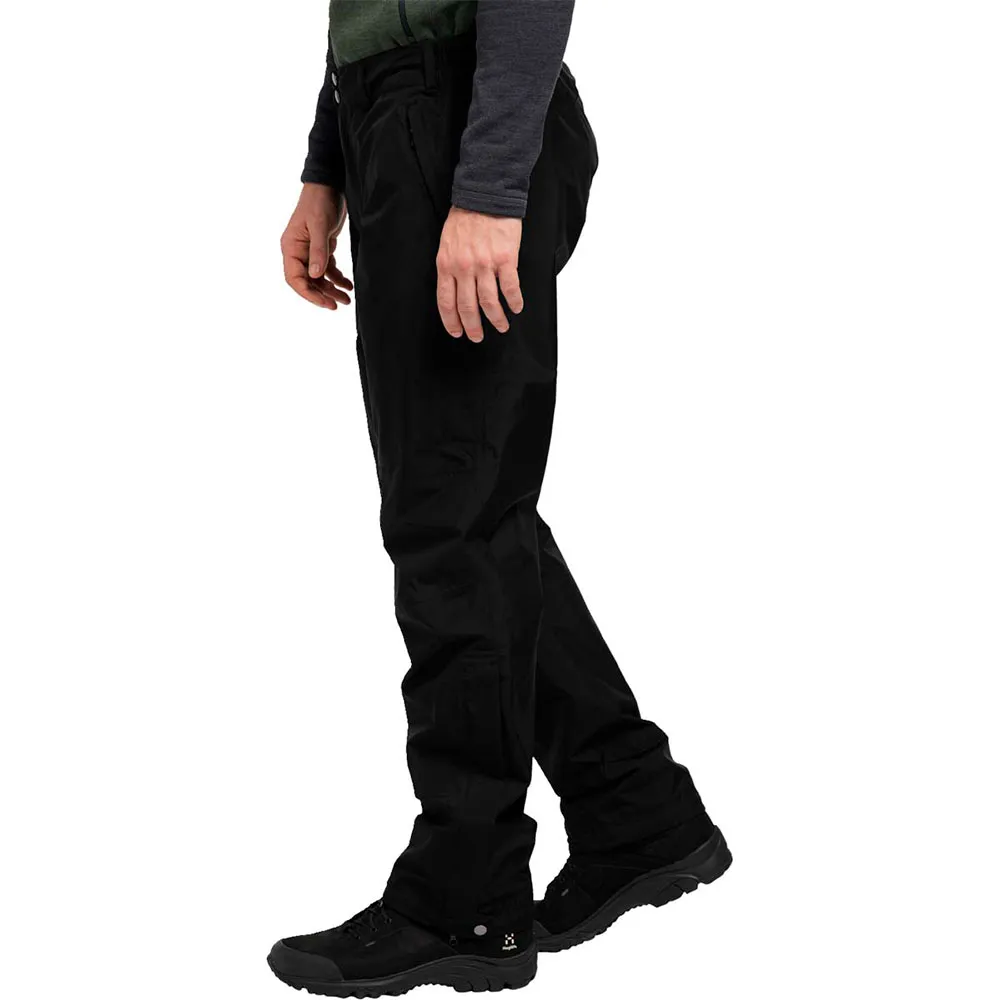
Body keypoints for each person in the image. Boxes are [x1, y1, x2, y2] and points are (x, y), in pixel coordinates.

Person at [268, 3, 730, 995]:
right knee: (471, 512)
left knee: (454, 526)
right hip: (400, 118)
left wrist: (485, 186)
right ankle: (635, 810)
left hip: (461, 122)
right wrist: (327, 162)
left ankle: (465, 896)